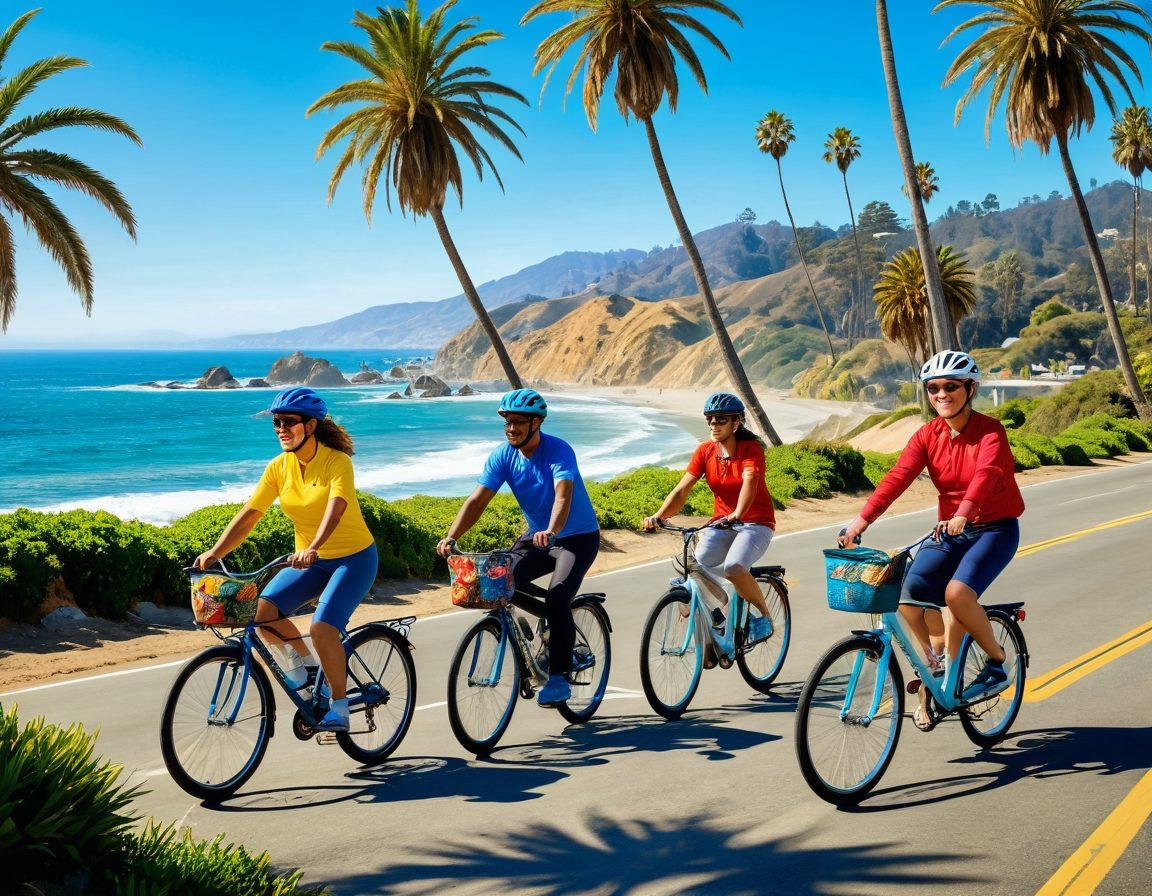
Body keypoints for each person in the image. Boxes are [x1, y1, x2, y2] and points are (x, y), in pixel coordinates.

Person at [838, 350, 1024, 721]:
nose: (942, 394)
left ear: (969, 389)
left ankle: (996, 660)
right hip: (950, 530)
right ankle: (933, 662)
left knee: (957, 594)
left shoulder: (990, 431)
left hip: (994, 528)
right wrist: (861, 521)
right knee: (906, 595)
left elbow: (986, 475)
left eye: (951, 386)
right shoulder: (928, 435)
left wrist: (963, 513)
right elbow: (897, 478)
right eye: (933, 387)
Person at [195, 387, 378, 732]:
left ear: (310, 426)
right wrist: (216, 552)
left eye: (289, 422)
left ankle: (339, 706)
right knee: (262, 613)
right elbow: (251, 514)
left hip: (353, 560)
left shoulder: (337, 462)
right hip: (310, 563)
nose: (281, 428)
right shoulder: (279, 467)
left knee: (322, 627)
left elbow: (336, 508)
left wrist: (314, 546)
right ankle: (307, 671)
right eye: (276, 422)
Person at [436, 388, 600, 707]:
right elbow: (477, 500)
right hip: (538, 536)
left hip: (576, 538)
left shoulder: (559, 451)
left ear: (536, 423)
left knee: (557, 595)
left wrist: (552, 530)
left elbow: (563, 495)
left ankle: (558, 677)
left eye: (519, 422)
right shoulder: (503, 456)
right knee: (500, 582)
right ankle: (554, 617)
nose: (512, 428)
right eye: (508, 422)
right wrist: (451, 536)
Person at [642, 392, 777, 648]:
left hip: (756, 523)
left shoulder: (751, 450)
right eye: (710, 419)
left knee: (735, 566)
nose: (714, 424)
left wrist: (737, 513)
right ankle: (719, 615)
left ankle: (764, 617)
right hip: (721, 522)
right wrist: (659, 516)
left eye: (721, 419)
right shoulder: (705, 451)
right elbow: (683, 489)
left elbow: (750, 483)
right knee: (695, 568)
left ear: (736, 422)